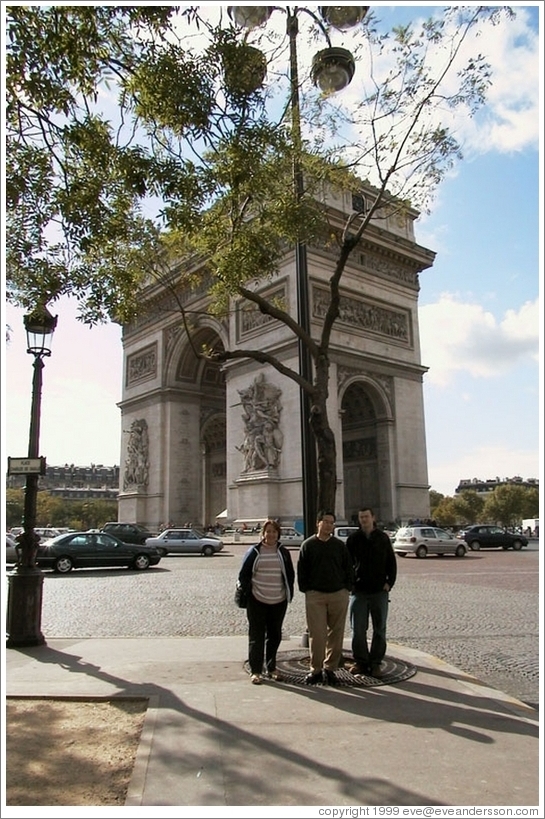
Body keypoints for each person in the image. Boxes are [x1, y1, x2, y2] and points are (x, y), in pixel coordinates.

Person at [297, 511, 355, 685]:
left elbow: (348, 568)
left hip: (338, 594)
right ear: (318, 523)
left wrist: (346, 589)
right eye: (326, 522)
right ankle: (315, 669)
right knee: (317, 635)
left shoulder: (339, 546)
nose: (329, 525)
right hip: (315, 595)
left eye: (332, 523)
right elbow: (302, 570)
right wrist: (307, 590)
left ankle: (330, 669)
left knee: (336, 635)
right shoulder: (307, 545)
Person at [237, 519, 295, 685]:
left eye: (274, 532)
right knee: (256, 636)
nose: (271, 534)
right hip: (257, 600)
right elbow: (243, 574)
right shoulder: (254, 551)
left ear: (278, 534)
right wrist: (251, 591)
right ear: (263, 533)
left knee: (275, 635)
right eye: (268, 531)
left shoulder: (283, 552)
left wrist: (287, 592)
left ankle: (271, 668)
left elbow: (290, 574)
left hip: (278, 600)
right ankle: (256, 671)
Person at [346, 506, 397, 678]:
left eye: (366, 517)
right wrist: (351, 584)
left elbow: (391, 562)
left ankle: (375, 663)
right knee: (357, 630)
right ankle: (361, 662)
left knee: (379, 629)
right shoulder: (353, 539)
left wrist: (390, 583)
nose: (364, 520)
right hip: (359, 592)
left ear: (373, 518)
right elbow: (347, 565)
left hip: (379, 592)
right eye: (361, 517)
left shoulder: (383, 538)